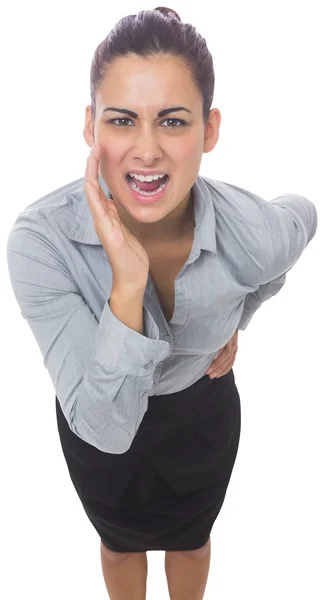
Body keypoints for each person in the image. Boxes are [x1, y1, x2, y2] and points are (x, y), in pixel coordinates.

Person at [6, 6, 318, 600]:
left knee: (192, 539)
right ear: (91, 127)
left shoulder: (253, 231)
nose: (146, 150)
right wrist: (128, 284)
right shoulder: (40, 243)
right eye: (122, 120)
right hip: (96, 424)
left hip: (201, 416)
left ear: (210, 129)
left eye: (172, 121)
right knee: (119, 543)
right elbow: (106, 428)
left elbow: (302, 218)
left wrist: (239, 317)